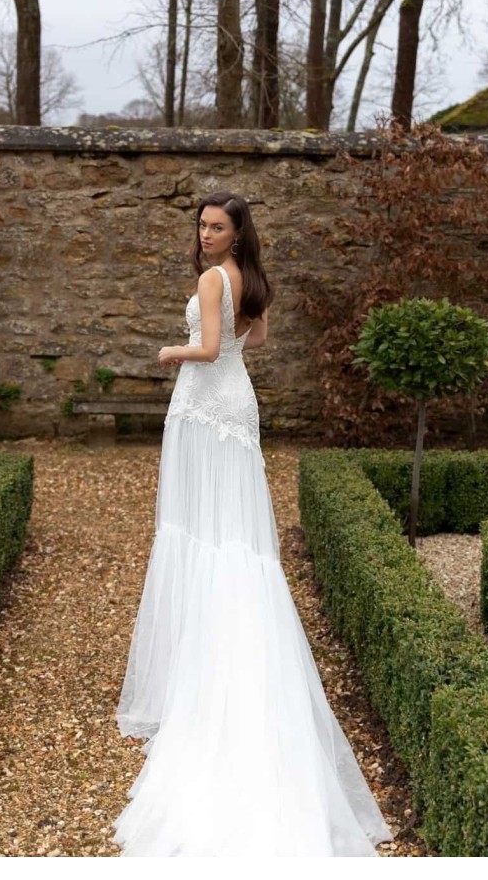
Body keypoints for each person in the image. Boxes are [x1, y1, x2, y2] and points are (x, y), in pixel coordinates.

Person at [112, 191, 393, 856]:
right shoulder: (251, 280)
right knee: (233, 531)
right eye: (202, 225)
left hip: (205, 405)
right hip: (238, 407)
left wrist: (169, 352)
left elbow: (209, 349)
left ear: (236, 234)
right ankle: (225, 640)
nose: (205, 234)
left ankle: (204, 661)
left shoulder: (214, 278)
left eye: (216, 226)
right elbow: (253, 339)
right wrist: (216, 345)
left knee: (197, 528)